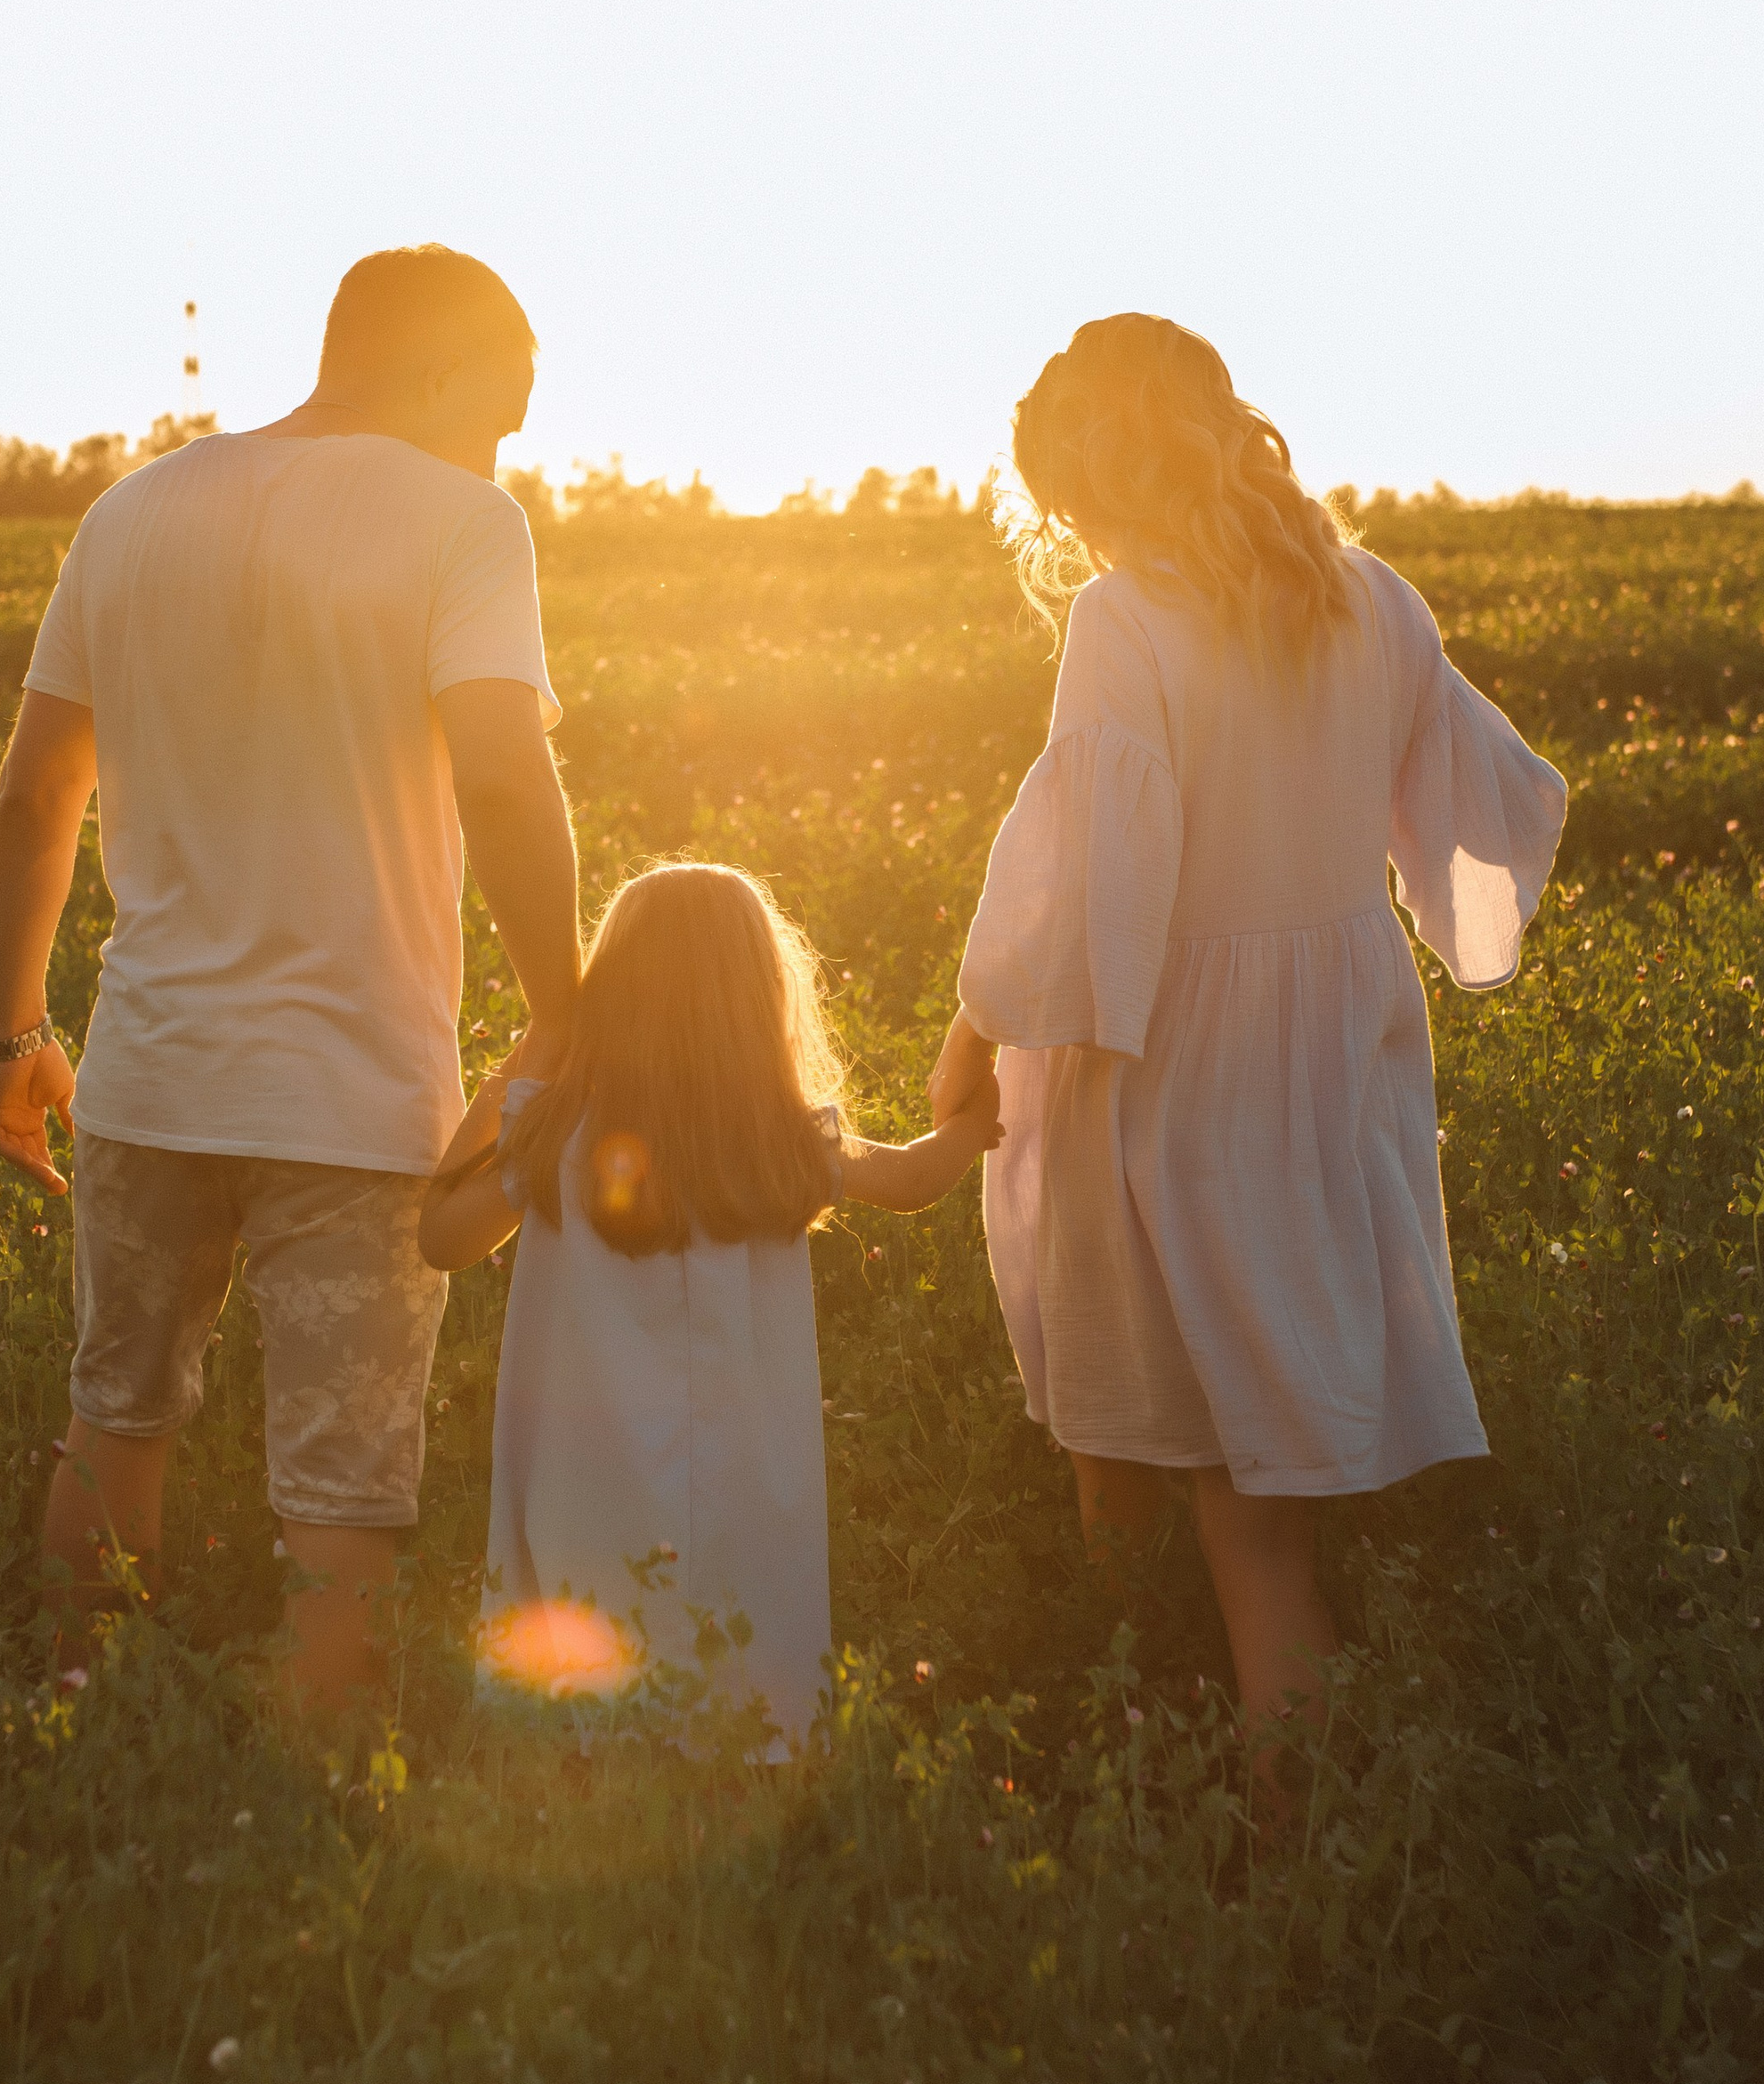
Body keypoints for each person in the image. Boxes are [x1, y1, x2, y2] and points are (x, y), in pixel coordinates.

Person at [932, 313, 1566, 1758]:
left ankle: (1135, 1755)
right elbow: (1487, 801)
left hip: (1162, 1055)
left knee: (1127, 1437)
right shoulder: (1375, 600)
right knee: (1258, 1506)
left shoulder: (1125, 619)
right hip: (1334, 1056)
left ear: (1088, 486)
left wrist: (977, 1029)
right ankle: (1302, 1854)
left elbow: (1092, 875)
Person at [0, 245, 579, 1709]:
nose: (507, 442)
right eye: (505, 402)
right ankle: (317, 1845)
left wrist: (11, 1036)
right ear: (437, 367)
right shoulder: (464, 523)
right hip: (356, 1101)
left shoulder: (133, 512)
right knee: (345, 1492)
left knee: (112, 1420)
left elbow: (39, 793)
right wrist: (570, 1023)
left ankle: (77, 1741)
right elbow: (504, 777)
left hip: (147, 1077)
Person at [421, 860, 1005, 1756]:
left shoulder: (551, 1129)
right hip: (741, 1470)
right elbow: (916, 1178)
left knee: (586, 1661)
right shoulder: (777, 1140)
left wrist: (521, 1067)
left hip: (587, 1467)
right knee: (741, 1655)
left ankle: (587, 1797)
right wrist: (969, 1123)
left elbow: (441, 1237)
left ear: (607, 991)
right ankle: (732, 1807)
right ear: (759, 999)